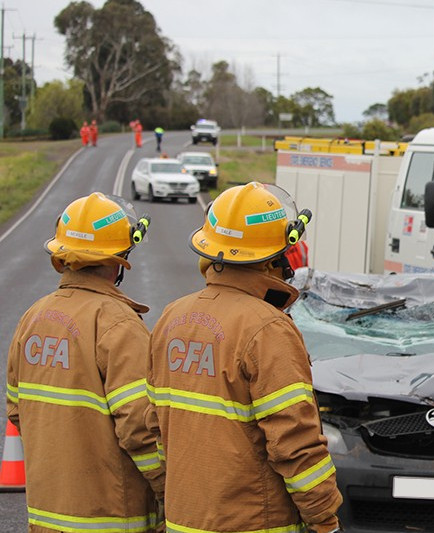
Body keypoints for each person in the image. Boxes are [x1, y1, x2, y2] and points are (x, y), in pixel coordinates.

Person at [146, 182, 342, 533]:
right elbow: (296, 444)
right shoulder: (268, 329)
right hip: (253, 522)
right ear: (277, 256)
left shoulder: (171, 318)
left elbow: (157, 427)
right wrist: (324, 519)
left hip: (183, 519)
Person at [6, 192, 165, 532]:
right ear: (120, 256)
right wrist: (169, 491)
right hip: (110, 518)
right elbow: (141, 429)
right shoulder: (118, 324)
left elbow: (17, 411)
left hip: (46, 516)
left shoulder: (32, 318)